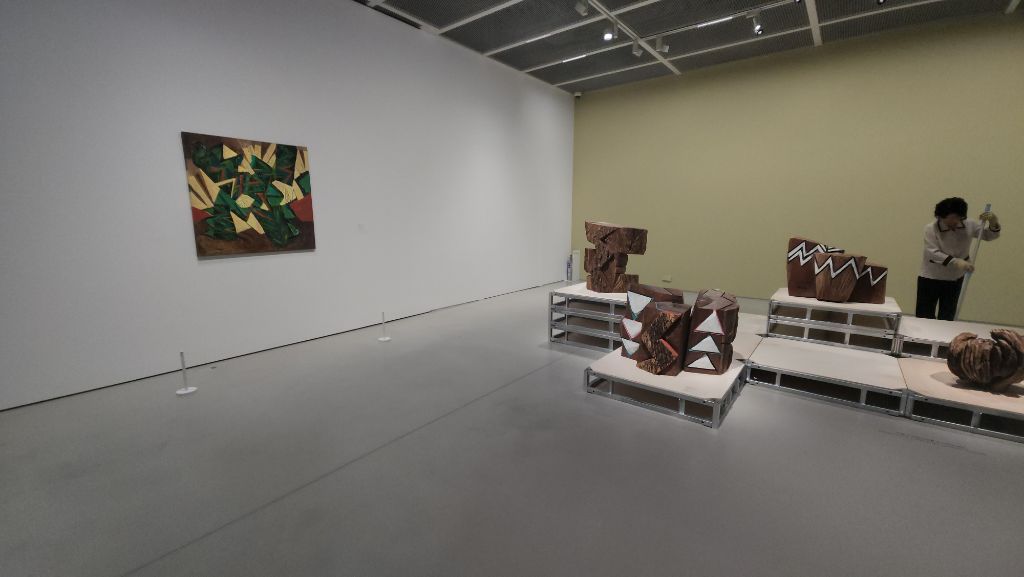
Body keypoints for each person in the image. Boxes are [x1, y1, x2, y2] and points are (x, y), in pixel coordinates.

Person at [916, 197, 1000, 320]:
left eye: (958, 217)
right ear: (941, 217)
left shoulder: (969, 225)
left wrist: (993, 222)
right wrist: (956, 262)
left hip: (955, 278)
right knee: (924, 315)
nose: (955, 221)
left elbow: (988, 235)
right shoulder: (931, 229)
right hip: (931, 277)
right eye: (952, 217)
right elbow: (932, 253)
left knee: (947, 316)